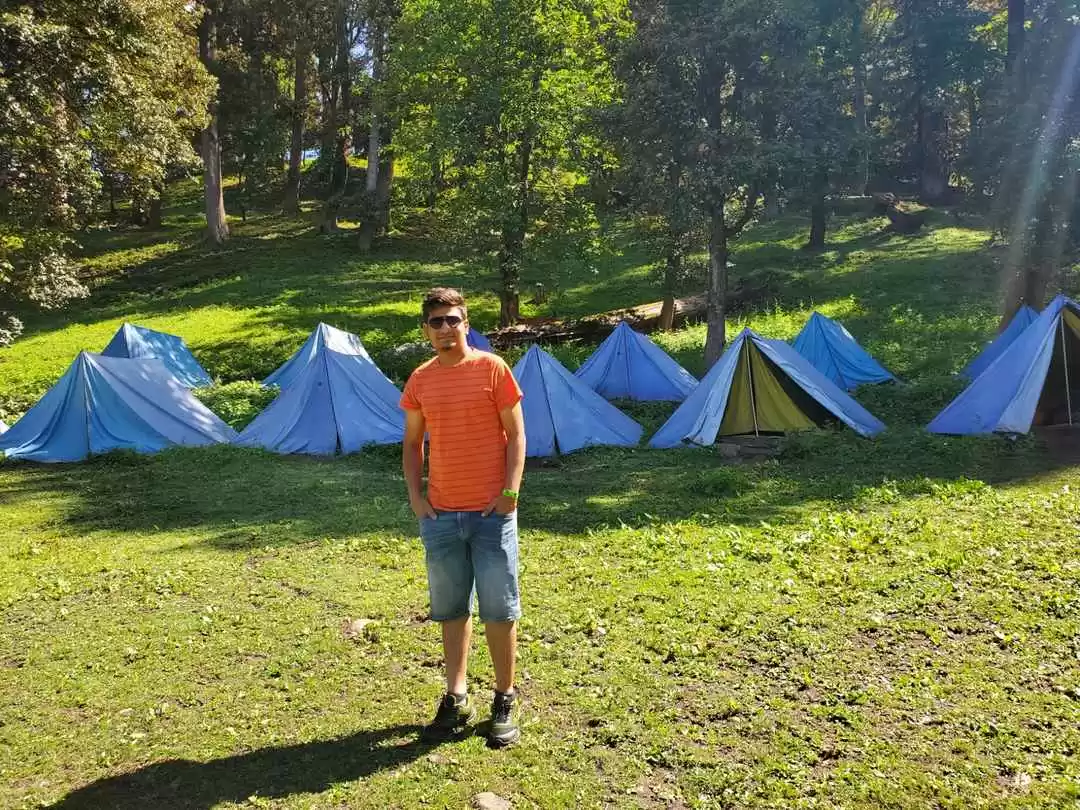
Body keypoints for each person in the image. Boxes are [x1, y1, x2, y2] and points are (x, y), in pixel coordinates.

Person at [401, 287, 526, 748]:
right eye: (436, 322)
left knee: (499, 609)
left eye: (453, 320)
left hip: (492, 513)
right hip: (441, 516)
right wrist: (417, 497)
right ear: (426, 330)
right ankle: (456, 695)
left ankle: (504, 697)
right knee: (451, 610)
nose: (445, 329)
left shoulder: (493, 368)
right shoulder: (420, 379)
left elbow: (516, 435)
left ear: (466, 324)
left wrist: (510, 492)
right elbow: (412, 444)